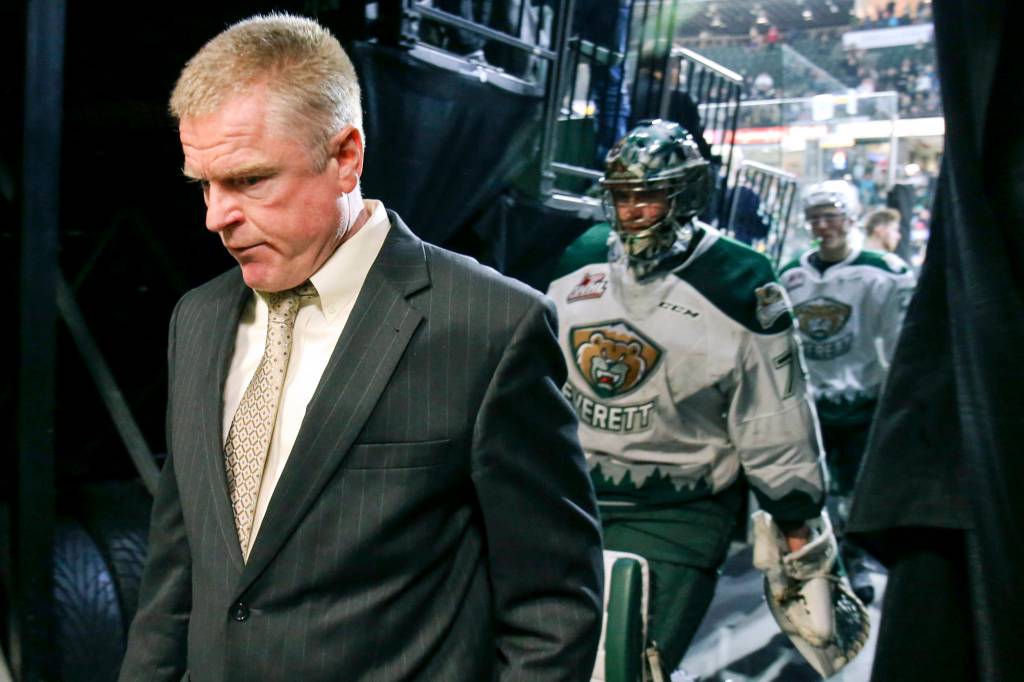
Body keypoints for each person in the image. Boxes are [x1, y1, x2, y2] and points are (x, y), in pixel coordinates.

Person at [119, 14, 603, 681]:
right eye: (205, 183)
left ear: (346, 157)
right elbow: (176, 575)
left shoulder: (490, 326)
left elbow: (552, 607)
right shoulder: (198, 318)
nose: (215, 217)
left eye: (250, 180)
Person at [547, 120, 827, 675]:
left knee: (632, 665)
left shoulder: (742, 279)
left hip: (681, 512)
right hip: (575, 502)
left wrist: (794, 514)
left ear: (688, 193)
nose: (631, 211)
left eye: (648, 194)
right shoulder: (578, 259)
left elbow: (773, 413)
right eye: (622, 196)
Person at [779, 180, 915, 603]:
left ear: (852, 217)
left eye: (831, 216)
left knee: (854, 493)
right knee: (813, 491)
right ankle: (821, 565)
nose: (823, 226)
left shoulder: (884, 273)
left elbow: (899, 345)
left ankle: (852, 559)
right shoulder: (790, 273)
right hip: (810, 403)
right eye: (815, 217)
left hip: (861, 402)